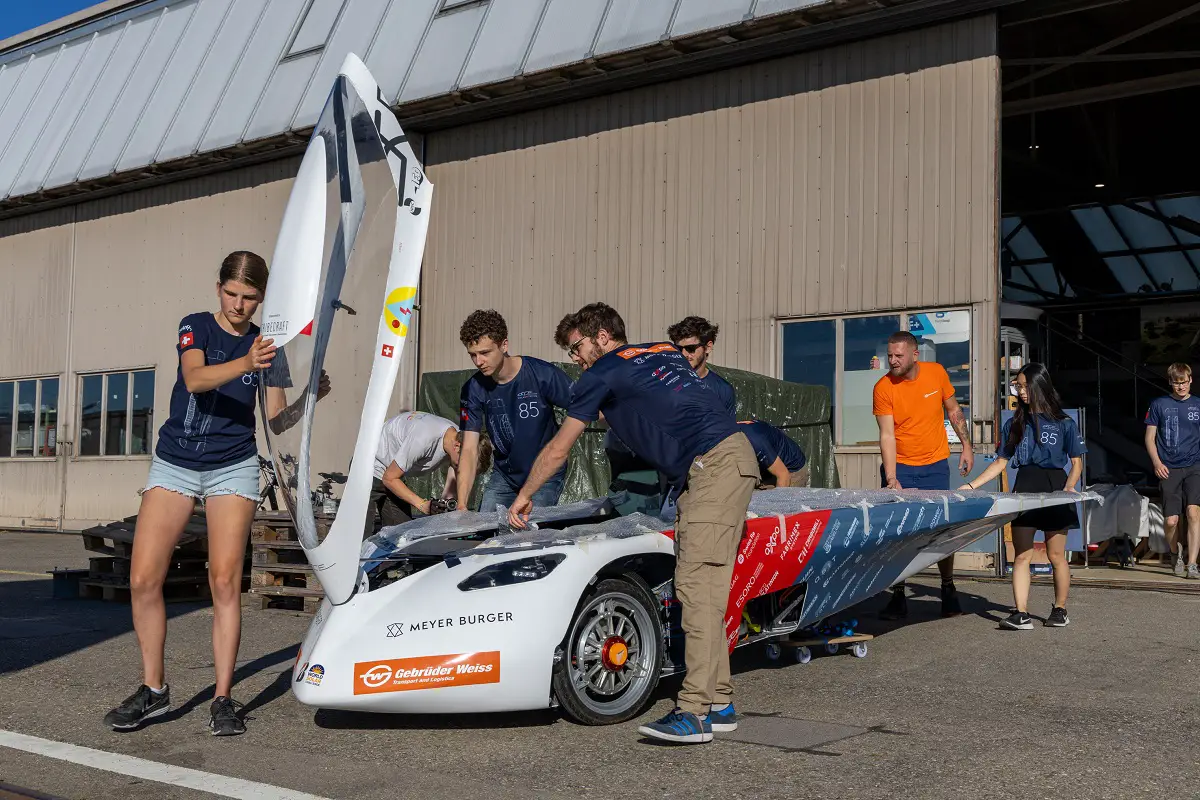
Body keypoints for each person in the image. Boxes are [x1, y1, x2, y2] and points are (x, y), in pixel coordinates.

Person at [508, 303, 758, 745]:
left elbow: (560, 448)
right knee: (703, 591)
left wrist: (525, 495)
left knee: (698, 591)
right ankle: (719, 703)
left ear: (602, 336)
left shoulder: (602, 373)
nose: (576, 358)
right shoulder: (661, 350)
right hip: (719, 462)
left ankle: (694, 712)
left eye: (578, 346)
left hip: (713, 465)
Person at [104, 251, 329, 736]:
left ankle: (223, 698)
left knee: (225, 581)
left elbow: (273, 419)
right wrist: (245, 362)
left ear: (261, 298)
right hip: (176, 463)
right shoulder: (197, 327)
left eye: (249, 298)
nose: (239, 305)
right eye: (231, 293)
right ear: (218, 288)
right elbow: (195, 378)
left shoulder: (270, 349)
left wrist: (308, 399)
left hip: (234, 466)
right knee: (143, 580)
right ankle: (154, 690)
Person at [960, 364, 1085, 629]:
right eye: (1018, 386)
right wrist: (972, 487)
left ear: (1040, 385)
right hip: (1025, 486)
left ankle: (1060, 609)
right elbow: (1000, 462)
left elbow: (1076, 463)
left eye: (1024, 385)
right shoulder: (1015, 422)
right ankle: (1021, 613)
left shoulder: (1065, 422)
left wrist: (1070, 487)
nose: (1020, 391)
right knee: (1022, 554)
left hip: (1056, 488)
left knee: (1056, 555)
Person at [873, 330, 974, 619]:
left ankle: (948, 587)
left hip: (935, 466)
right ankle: (898, 594)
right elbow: (887, 435)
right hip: (901, 467)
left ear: (914, 355)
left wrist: (966, 446)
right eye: (889, 355)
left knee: (943, 529)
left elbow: (954, 411)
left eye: (898, 355)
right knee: (899, 533)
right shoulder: (883, 387)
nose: (892, 360)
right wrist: (892, 477)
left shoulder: (936, 373)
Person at [456, 309, 572, 511]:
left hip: (545, 473)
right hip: (505, 475)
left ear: (504, 345)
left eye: (484, 353)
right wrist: (461, 504)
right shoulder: (472, 389)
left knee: (531, 533)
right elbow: (468, 448)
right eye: (472, 355)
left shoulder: (542, 374)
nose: (478, 362)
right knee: (487, 530)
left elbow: (586, 409)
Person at [1144, 363, 1200, 579]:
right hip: (1168, 467)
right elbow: (1149, 437)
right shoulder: (1159, 404)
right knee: (1171, 520)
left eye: (1184, 382)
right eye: (1177, 383)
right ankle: (1175, 554)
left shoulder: (1197, 404)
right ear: (1170, 382)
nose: (1181, 386)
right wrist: (1157, 462)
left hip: (1194, 465)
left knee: (1193, 512)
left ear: (1190, 380)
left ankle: (1193, 563)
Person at [370, 411, 469, 529]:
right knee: (359, 536)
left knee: (402, 536)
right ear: (456, 446)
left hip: (392, 473)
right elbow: (389, 479)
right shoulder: (424, 438)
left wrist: (449, 506)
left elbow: (455, 470)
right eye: (465, 465)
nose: (464, 468)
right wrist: (422, 505)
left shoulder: (456, 437)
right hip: (369, 468)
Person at [668, 315, 736, 416]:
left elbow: (728, 431)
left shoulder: (723, 390)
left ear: (708, 347)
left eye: (691, 348)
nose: (684, 354)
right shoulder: (665, 381)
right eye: (679, 348)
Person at [738, 420, 809, 487]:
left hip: (792, 470)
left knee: (779, 498)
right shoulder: (731, 431)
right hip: (767, 466)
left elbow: (783, 475)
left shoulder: (756, 441)